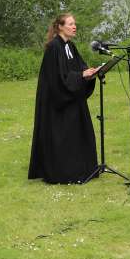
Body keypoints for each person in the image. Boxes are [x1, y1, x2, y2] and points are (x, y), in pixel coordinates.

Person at [28, 13, 100, 184]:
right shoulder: (54, 47)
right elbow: (58, 78)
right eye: (70, 24)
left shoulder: (70, 46)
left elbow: (78, 67)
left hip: (73, 98)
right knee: (64, 136)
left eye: (74, 24)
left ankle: (81, 168)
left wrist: (88, 73)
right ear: (60, 27)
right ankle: (64, 172)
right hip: (59, 102)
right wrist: (81, 75)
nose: (74, 26)